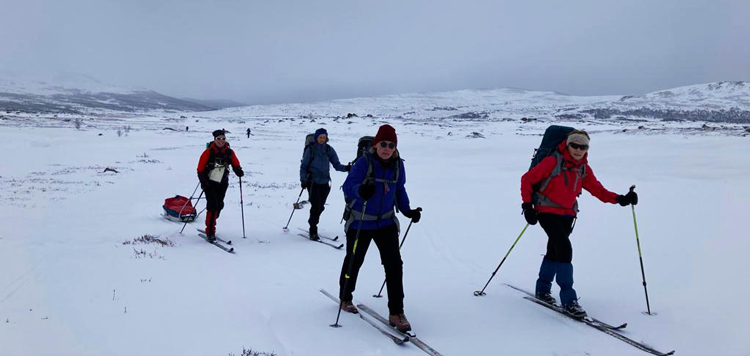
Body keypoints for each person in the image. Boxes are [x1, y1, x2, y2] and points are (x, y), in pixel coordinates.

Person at [520, 129, 638, 318]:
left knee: (555, 249)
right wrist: (527, 206)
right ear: (567, 145)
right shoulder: (553, 161)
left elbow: (598, 190)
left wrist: (621, 199)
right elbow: (527, 179)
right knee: (564, 249)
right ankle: (569, 301)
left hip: (567, 214)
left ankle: (542, 289)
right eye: (574, 145)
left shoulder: (583, 168)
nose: (578, 150)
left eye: (583, 146)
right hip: (546, 210)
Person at [338, 124, 422, 333]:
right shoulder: (363, 163)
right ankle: (345, 298)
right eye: (383, 144)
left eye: (391, 145)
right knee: (354, 260)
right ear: (376, 145)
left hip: (385, 222)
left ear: (395, 148)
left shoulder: (397, 166)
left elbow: (399, 189)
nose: (386, 148)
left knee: (394, 265)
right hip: (360, 221)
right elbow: (348, 187)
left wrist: (407, 211)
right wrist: (360, 190)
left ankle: (396, 312)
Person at [299, 128, 348, 240]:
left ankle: (313, 222)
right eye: (320, 137)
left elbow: (337, 165)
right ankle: (313, 229)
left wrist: (348, 168)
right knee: (316, 206)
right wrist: (303, 180)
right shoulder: (310, 150)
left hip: (325, 183)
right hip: (312, 182)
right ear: (316, 138)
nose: (322, 139)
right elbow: (304, 166)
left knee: (320, 206)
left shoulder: (329, 150)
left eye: (324, 137)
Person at [197, 129, 244, 242]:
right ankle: (210, 231)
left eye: (223, 139)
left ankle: (212, 219)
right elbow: (200, 169)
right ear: (214, 139)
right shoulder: (208, 152)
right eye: (219, 139)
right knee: (212, 206)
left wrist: (238, 170)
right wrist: (203, 182)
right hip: (210, 182)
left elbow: (235, 163)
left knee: (219, 205)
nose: (221, 141)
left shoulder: (229, 152)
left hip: (223, 182)